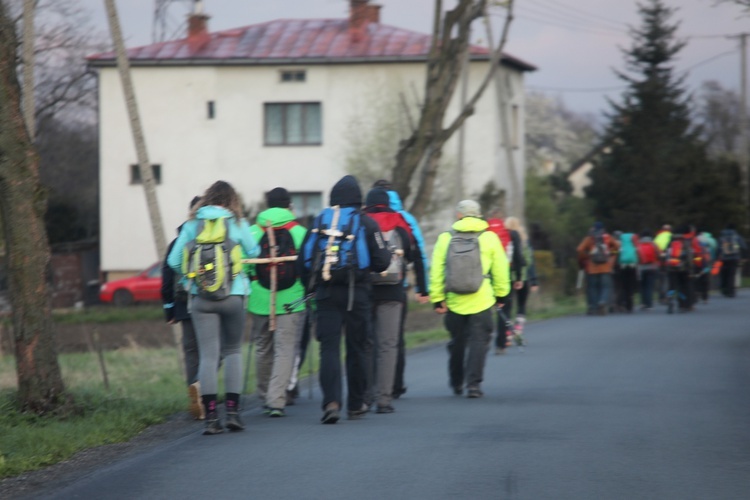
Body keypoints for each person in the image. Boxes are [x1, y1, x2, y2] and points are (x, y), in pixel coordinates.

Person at [167, 180, 260, 435]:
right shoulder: (237, 223)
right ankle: (232, 412)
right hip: (234, 295)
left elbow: (174, 261)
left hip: (200, 299)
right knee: (232, 352)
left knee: (208, 356)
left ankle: (210, 418)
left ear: (207, 198)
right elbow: (254, 249)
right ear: (232, 200)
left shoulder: (192, 224)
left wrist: (190, 279)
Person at [299, 175, 391, 424]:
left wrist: (312, 287)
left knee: (328, 348)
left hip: (326, 293)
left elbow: (303, 261)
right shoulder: (366, 223)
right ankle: (356, 404)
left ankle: (331, 402)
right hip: (357, 293)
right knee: (357, 347)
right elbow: (383, 260)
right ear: (358, 199)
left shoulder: (320, 222)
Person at [430, 199, 510, 398]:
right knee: (479, 341)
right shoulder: (489, 238)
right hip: (481, 299)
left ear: (458, 215)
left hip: (454, 300)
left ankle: (456, 381)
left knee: (457, 341)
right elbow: (501, 270)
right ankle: (473, 385)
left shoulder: (445, 238)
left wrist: (438, 298)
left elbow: (437, 272)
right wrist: (501, 294)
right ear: (480, 216)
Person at [363, 187, 427, 414]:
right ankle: (384, 399)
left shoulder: (361, 221)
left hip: (365, 290)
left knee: (367, 343)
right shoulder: (401, 222)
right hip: (393, 291)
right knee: (388, 345)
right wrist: (423, 287)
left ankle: (364, 396)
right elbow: (415, 255)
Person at [246, 187, 308, 418]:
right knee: (285, 350)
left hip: (259, 298)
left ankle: (263, 395)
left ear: (267, 205)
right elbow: (309, 265)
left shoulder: (252, 232)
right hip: (292, 298)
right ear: (288, 206)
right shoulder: (301, 232)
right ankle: (276, 400)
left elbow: (244, 266)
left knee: (263, 347)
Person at [162, 195, 203, 420]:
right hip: (210, 299)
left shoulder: (178, 240)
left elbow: (167, 277)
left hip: (182, 303)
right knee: (216, 348)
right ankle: (202, 385)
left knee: (191, 351)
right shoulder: (216, 237)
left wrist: (169, 309)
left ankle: (193, 392)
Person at [486, 210, 524, 354]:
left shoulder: (483, 233)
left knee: (484, 309)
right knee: (504, 310)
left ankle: (483, 338)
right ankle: (500, 345)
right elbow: (518, 258)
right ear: (503, 220)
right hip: (505, 276)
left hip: (486, 277)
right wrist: (519, 277)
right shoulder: (512, 234)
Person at [503, 216, 539, 336]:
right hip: (523, 278)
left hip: (507, 277)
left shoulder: (504, 240)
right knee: (521, 304)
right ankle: (518, 328)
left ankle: (507, 332)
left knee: (507, 305)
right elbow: (530, 261)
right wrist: (534, 280)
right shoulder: (525, 241)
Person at [577, 222, 620, 316]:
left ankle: (594, 307)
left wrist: (587, 256)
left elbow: (579, 249)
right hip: (605, 267)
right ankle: (603, 301)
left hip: (592, 268)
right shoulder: (607, 237)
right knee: (605, 287)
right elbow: (617, 246)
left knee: (593, 288)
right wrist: (611, 253)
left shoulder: (589, 238)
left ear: (593, 229)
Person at [664, 225, 704, 312]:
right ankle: (684, 304)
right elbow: (693, 255)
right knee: (684, 286)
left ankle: (670, 300)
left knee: (672, 286)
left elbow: (666, 254)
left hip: (671, 267)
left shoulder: (671, 241)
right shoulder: (687, 241)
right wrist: (693, 267)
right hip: (684, 268)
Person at [717, 223, 747, 298]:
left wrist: (718, 256)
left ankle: (724, 289)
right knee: (732, 275)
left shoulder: (722, 236)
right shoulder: (737, 236)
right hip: (734, 258)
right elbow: (743, 246)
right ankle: (731, 291)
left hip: (724, 258)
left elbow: (718, 248)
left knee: (724, 274)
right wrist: (744, 256)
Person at [636, 229, 660, 310]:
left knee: (642, 286)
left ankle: (643, 303)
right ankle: (649, 304)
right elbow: (659, 253)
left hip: (641, 268)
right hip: (652, 267)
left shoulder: (638, 244)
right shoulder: (653, 244)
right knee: (649, 286)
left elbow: (636, 255)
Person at [616, 232, 639, 313]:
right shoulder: (633, 244)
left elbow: (617, 253)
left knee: (624, 285)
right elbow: (638, 252)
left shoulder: (620, 243)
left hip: (622, 265)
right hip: (632, 265)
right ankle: (630, 305)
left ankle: (623, 303)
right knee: (630, 286)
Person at [696, 229, 717, 304]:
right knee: (705, 282)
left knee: (698, 280)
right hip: (706, 265)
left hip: (698, 265)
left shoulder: (696, 241)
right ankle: (705, 298)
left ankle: (697, 293)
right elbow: (711, 254)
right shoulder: (708, 243)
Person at [654, 224, 673, 303]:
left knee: (661, 280)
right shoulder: (671, 235)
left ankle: (661, 297)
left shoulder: (657, 236)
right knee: (667, 279)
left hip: (658, 260)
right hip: (667, 260)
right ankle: (666, 296)